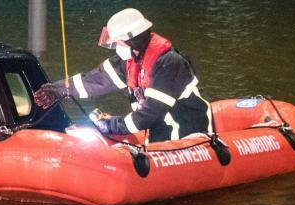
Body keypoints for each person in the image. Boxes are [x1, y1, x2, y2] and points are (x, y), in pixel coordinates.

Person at [33, 8, 212, 143]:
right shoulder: (128, 61)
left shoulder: (169, 64)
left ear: (132, 40)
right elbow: (93, 81)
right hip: (159, 134)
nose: (117, 48)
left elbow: (150, 115)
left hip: (187, 134)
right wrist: (57, 90)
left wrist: (110, 125)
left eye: (119, 43)